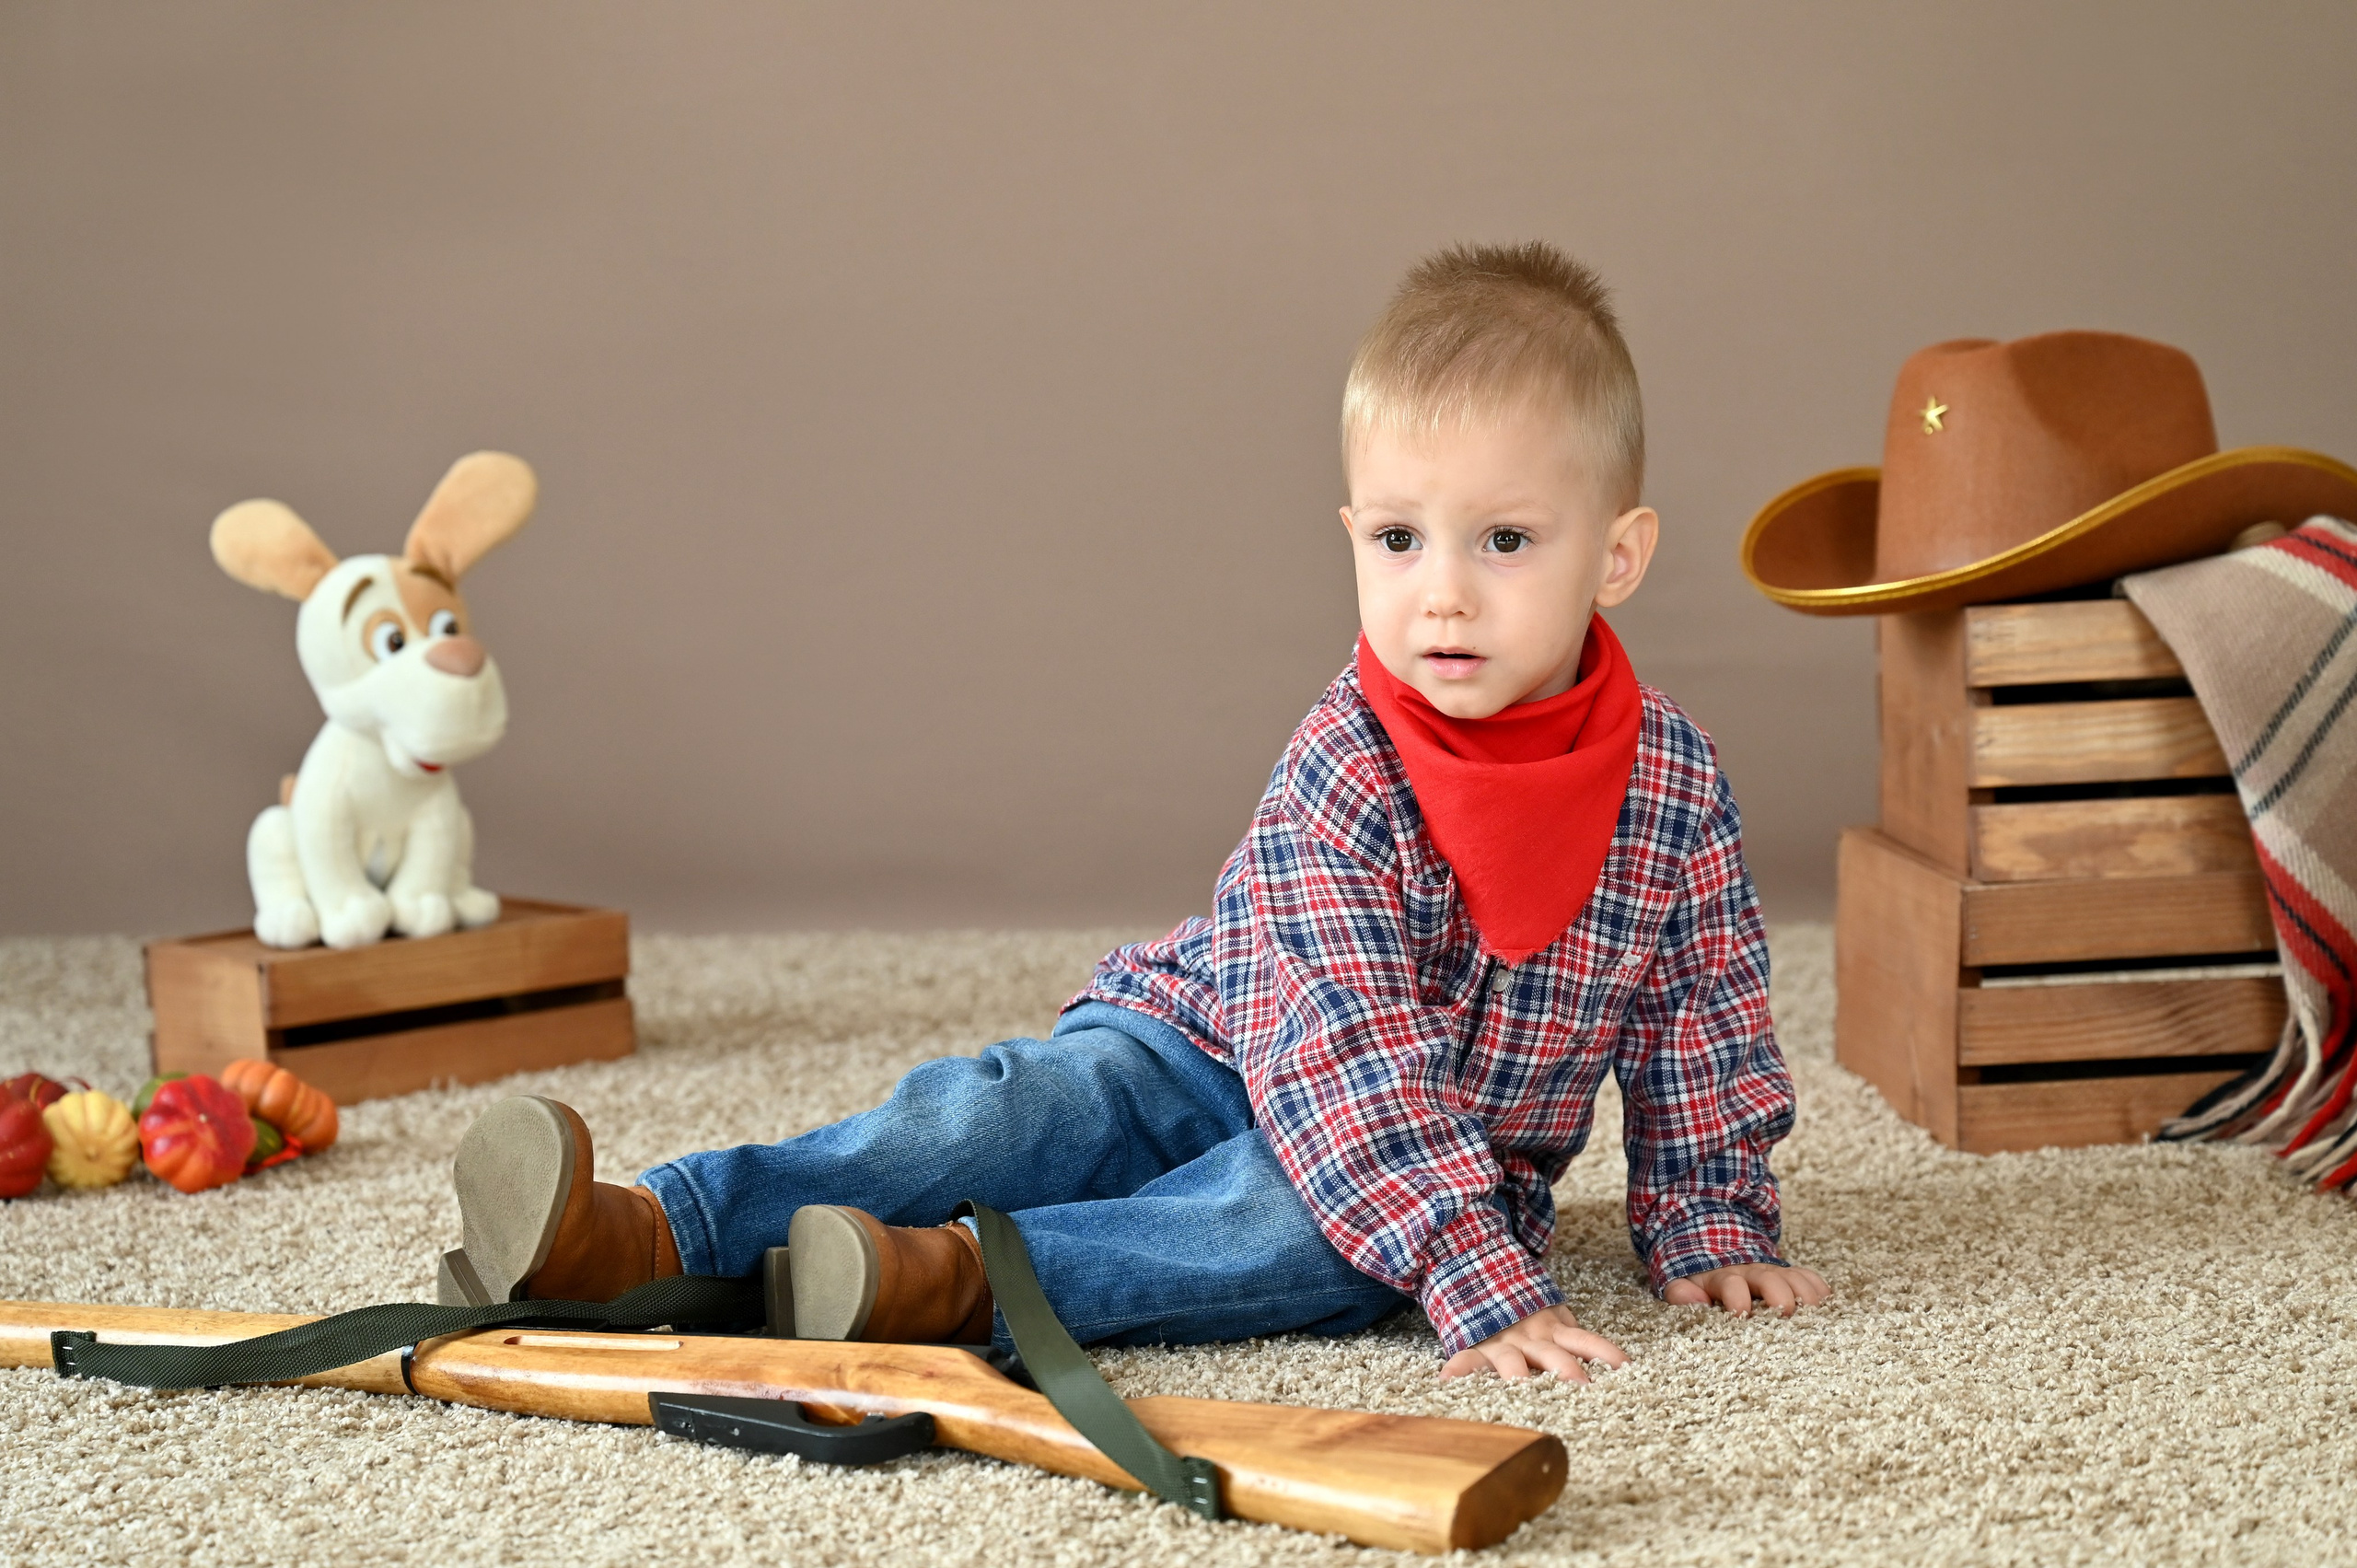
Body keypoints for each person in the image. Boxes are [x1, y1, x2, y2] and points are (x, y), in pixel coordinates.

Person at [445, 240, 1828, 1382]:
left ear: (1621, 555)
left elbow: (1698, 1013)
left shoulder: (1672, 782)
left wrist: (1707, 1218)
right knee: (1012, 1117)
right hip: (1213, 1044)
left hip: (1431, 1144)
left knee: (1299, 1240)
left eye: (1506, 541)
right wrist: (1474, 1271)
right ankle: (641, 1230)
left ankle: (937, 1287)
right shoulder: (1346, 764)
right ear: (1354, 537)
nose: (1443, 592)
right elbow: (1341, 1047)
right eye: (1400, 540)